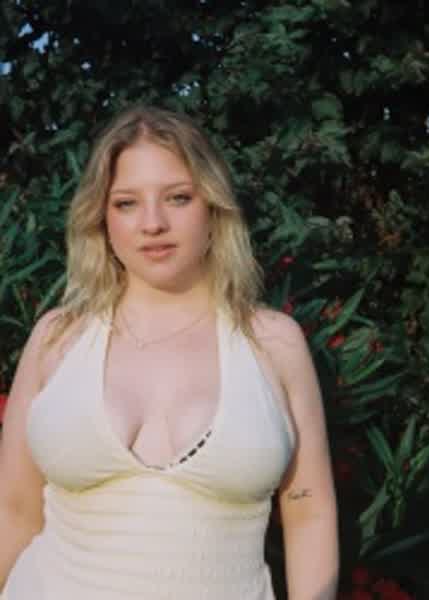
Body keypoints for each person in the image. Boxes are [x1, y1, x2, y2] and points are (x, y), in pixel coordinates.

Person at [0, 106, 339, 599]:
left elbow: (308, 513)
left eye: (178, 198)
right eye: (126, 203)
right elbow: (13, 509)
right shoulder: (58, 338)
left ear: (213, 207)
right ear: (101, 217)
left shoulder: (273, 343)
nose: (153, 223)